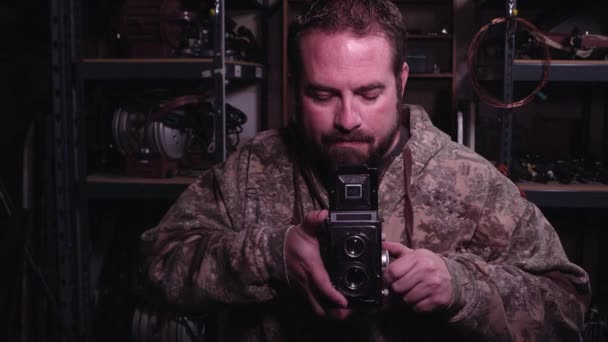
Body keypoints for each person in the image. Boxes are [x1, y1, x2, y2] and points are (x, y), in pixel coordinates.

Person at [140, 0, 591, 340]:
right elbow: (158, 264)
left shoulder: (469, 182)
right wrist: (271, 256)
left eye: (369, 93)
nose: (347, 118)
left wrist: (460, 287)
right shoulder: (253, 171)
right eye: (322, 95)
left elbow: (569, 308)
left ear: (401, 82)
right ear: (296, 89)